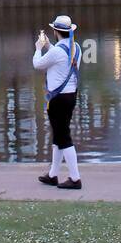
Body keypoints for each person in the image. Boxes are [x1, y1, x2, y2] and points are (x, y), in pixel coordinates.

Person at [34, 14, 82, 190]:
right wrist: (48, 45)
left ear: (55, 31)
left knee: (63, 138)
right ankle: (53, 175)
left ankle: (75, 178)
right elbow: (60, 55)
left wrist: (39, 48)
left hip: (57, 100)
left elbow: (38, 64)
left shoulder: (56, 52)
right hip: (71, 97)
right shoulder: (76, 47)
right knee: (59, 136)